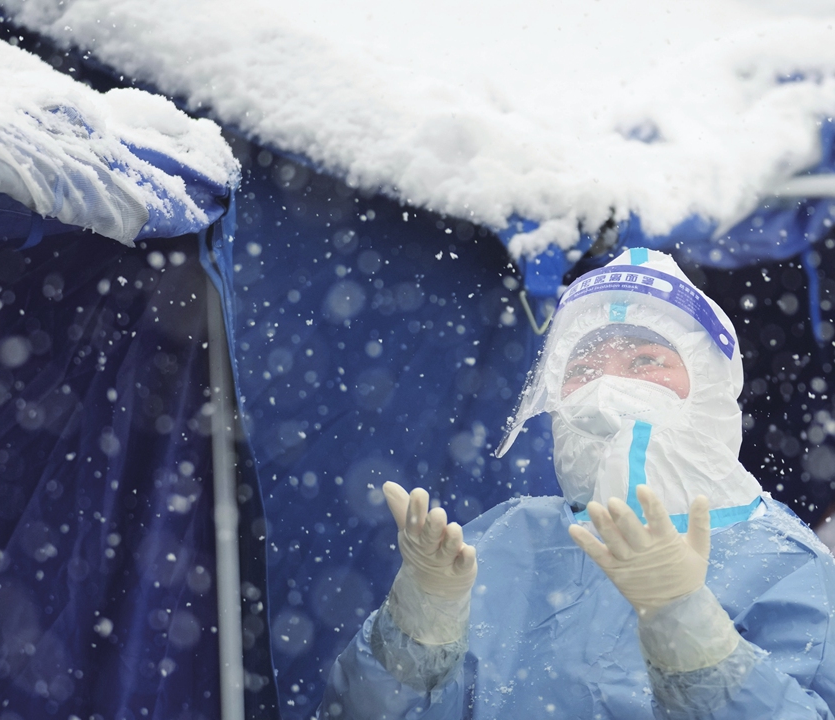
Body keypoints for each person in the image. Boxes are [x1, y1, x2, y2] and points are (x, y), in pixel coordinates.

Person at [323, 248, 835, 719]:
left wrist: (691, 632)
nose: (606, 387)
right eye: (583, 366)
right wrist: (417, 627)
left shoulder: (787, 567)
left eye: (644, 361)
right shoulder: (504, 539)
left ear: (708, 383)